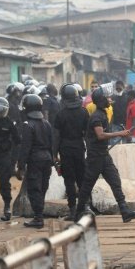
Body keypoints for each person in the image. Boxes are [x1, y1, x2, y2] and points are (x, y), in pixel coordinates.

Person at [75, 87, 135, 223]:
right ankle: (77, 214)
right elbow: (100, 135)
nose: (109, 100)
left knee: (115, 181)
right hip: (95, 157)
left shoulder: (102, 114)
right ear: (101, 101)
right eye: (107, 98)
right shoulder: (96, 117)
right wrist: (120, 134)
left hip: (103, 155)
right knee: (87, 186)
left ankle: (125, 211)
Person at [16, 94, 53, 229]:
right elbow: (51, 144)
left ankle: (38, 218)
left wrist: (20, 166)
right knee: (43, 187)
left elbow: (25, 148)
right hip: (47, 159)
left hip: (35, 160)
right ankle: (39, 215)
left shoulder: (28, 125)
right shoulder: (47, 123)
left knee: (34, 189)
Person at [53, 84, 89, 221]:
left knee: (69, 181)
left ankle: (73, 211)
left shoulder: (60, 114)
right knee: (82, 179)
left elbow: (56, 136)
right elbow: (88, 134)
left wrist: (54, 153)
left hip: (65, 150)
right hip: (79, 148)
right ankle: (85, 207)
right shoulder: (84, 112)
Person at [6, 82, 24, 175]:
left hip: (16, 130)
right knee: (11, 151)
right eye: (16, 92)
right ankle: (10, 169)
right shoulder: (9, 104)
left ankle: (12, 168)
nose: (18, 94)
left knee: (16, 151)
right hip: (10, 131)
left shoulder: (16, 103)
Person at [110, 80, 128, 145]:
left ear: (123, 87)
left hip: (125, 124)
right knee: (115, 143)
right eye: (117, 88)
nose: (118, 90)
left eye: (119, 88)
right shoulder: (113, 97)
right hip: (115, 124)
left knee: (124, 144)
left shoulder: (127, 97)